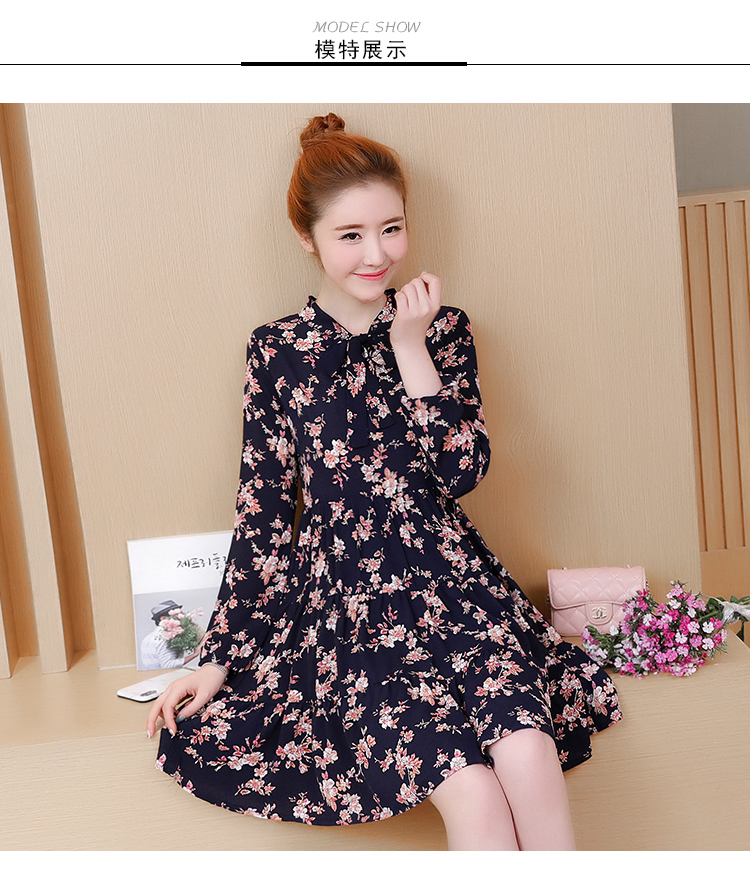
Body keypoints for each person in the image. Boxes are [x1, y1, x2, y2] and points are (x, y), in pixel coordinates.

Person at [147, 112, 621, 850]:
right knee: (471, 792)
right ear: (306, 237)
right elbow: (263, 513)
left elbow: (462, 471)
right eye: (351, 235)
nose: (377, 254)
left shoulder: (444, 329)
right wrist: (217, 657)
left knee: (529, 756)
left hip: (455, 587)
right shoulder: (277, 351)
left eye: (392, 229)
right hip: (348, 610)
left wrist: (410, 346)